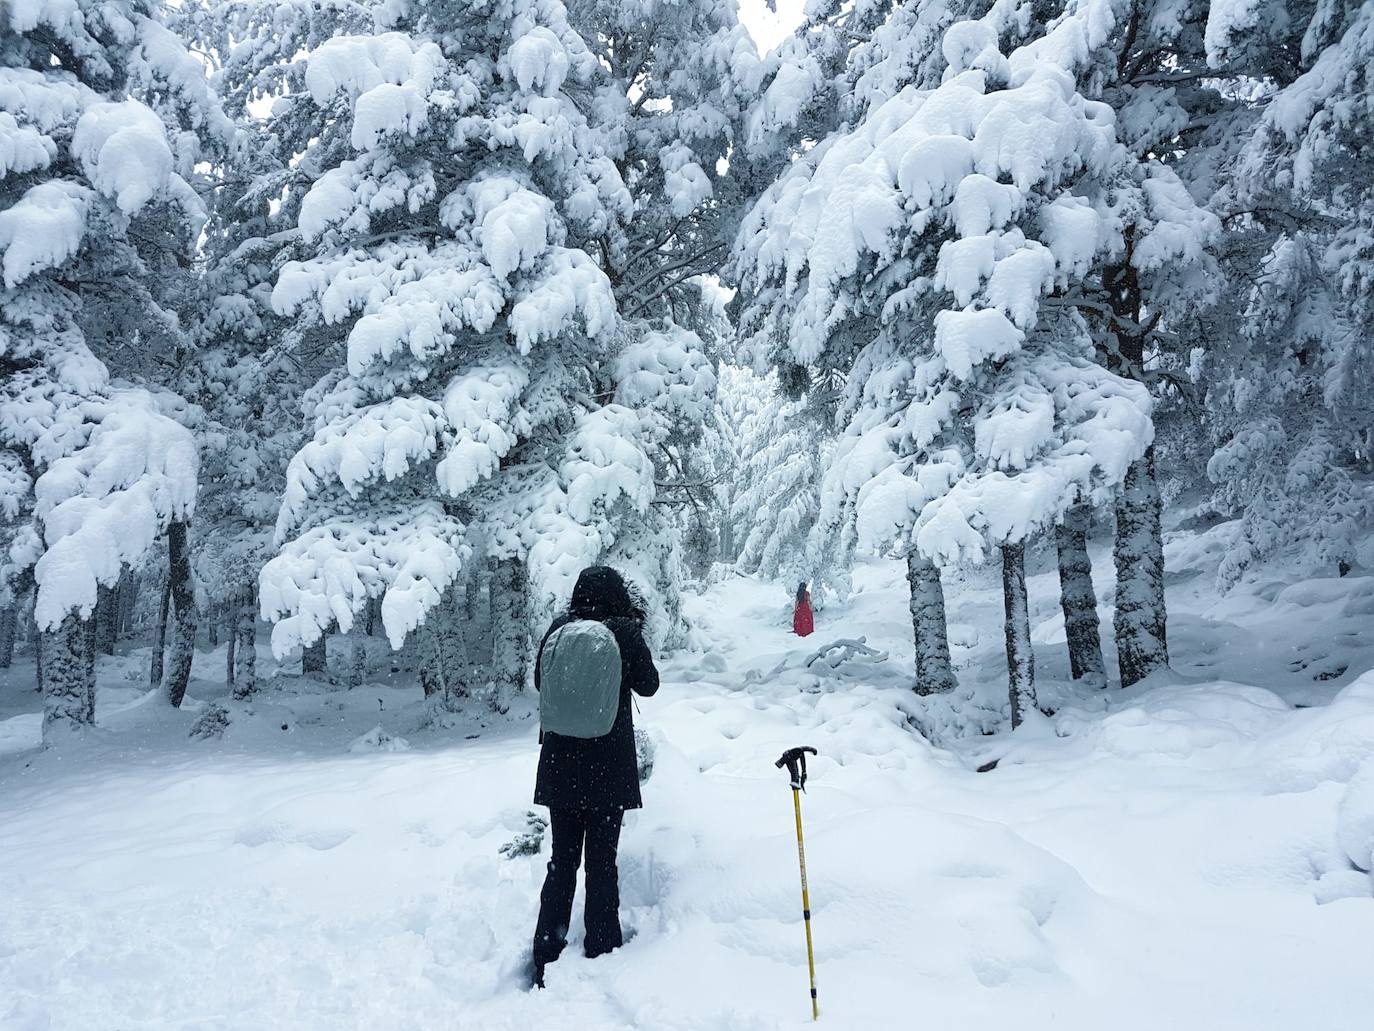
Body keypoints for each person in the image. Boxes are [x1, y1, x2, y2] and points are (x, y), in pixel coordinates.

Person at [529, 565, 659, 988]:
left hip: (559, 768)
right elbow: (650, 686)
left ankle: (547, 949)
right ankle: (602, 946)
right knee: (602, 862)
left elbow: (538, 682)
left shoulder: (559, 628)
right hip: (608, 768)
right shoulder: (623, 631)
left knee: (562, 862)